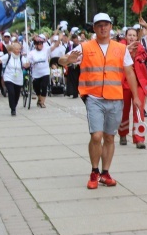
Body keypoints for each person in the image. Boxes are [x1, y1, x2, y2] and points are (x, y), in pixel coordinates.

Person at [60, 13, 140, 189]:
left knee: (110, 137)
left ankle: (105, 173)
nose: (103, 28)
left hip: (115, 98)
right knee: (96, 136)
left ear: (111, 27)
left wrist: (136, 97)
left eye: (106, 25)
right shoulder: (84, 47)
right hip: (94, 97)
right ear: (94, 28)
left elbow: (129, 73)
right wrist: (67, 60)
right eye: (99, 25)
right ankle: (94, 171)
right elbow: (62, 60)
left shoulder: (120, 48)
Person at [0, 42, 29, 116]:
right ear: (13, 49)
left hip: (18, 78)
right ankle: (13, 109)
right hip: (9, 77)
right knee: (11, 92)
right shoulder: (8, 56)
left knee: (16, 95)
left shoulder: (22, 57)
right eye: (16, 49)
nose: (18, 50)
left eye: (19, 49)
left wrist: (27, 64)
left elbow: (25, 64)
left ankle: (13, 105)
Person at [28, 35, 51, 108]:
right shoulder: (32, 53)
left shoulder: (46, 50)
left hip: (45, 72)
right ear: (35, 45)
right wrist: (27, 64)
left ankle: (42, 102)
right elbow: (28, 61)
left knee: (44, 86)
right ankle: (39, 98)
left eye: (41, 44)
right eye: (39, 44)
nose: (40, 45)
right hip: (36, 73)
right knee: (36, 87)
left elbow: (54, 46)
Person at [64, 34, 81, 99]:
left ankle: (77, 92)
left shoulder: (80, 46)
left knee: (78, 79)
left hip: (78, 65)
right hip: (71, 65)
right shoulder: (69, 47)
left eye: (76, 38)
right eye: (74, 39)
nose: (75, 40)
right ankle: (73, 92)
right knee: (72, 80)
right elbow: (66, 55)